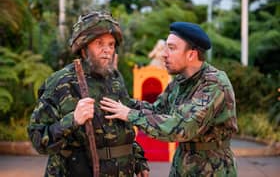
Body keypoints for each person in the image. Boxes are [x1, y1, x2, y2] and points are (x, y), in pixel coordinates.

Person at [100, 22, 238, 176]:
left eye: (171, 48)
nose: (163, 54)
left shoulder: (214, 83)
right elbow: (157, 110)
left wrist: (129, 114)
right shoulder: (180, 81)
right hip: (182, 165)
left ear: (191, 54)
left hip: (212, 168)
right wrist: (119, 99)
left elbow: (182, 127)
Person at [27, 11, 149, 177]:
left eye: (111, 44)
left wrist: (139, 161)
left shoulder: (114, 79)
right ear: (83, 48)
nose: (107, 50)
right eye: (100, 43)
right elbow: (38, 139)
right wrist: (73, 120)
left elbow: (123, 130)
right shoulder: (61, 82)